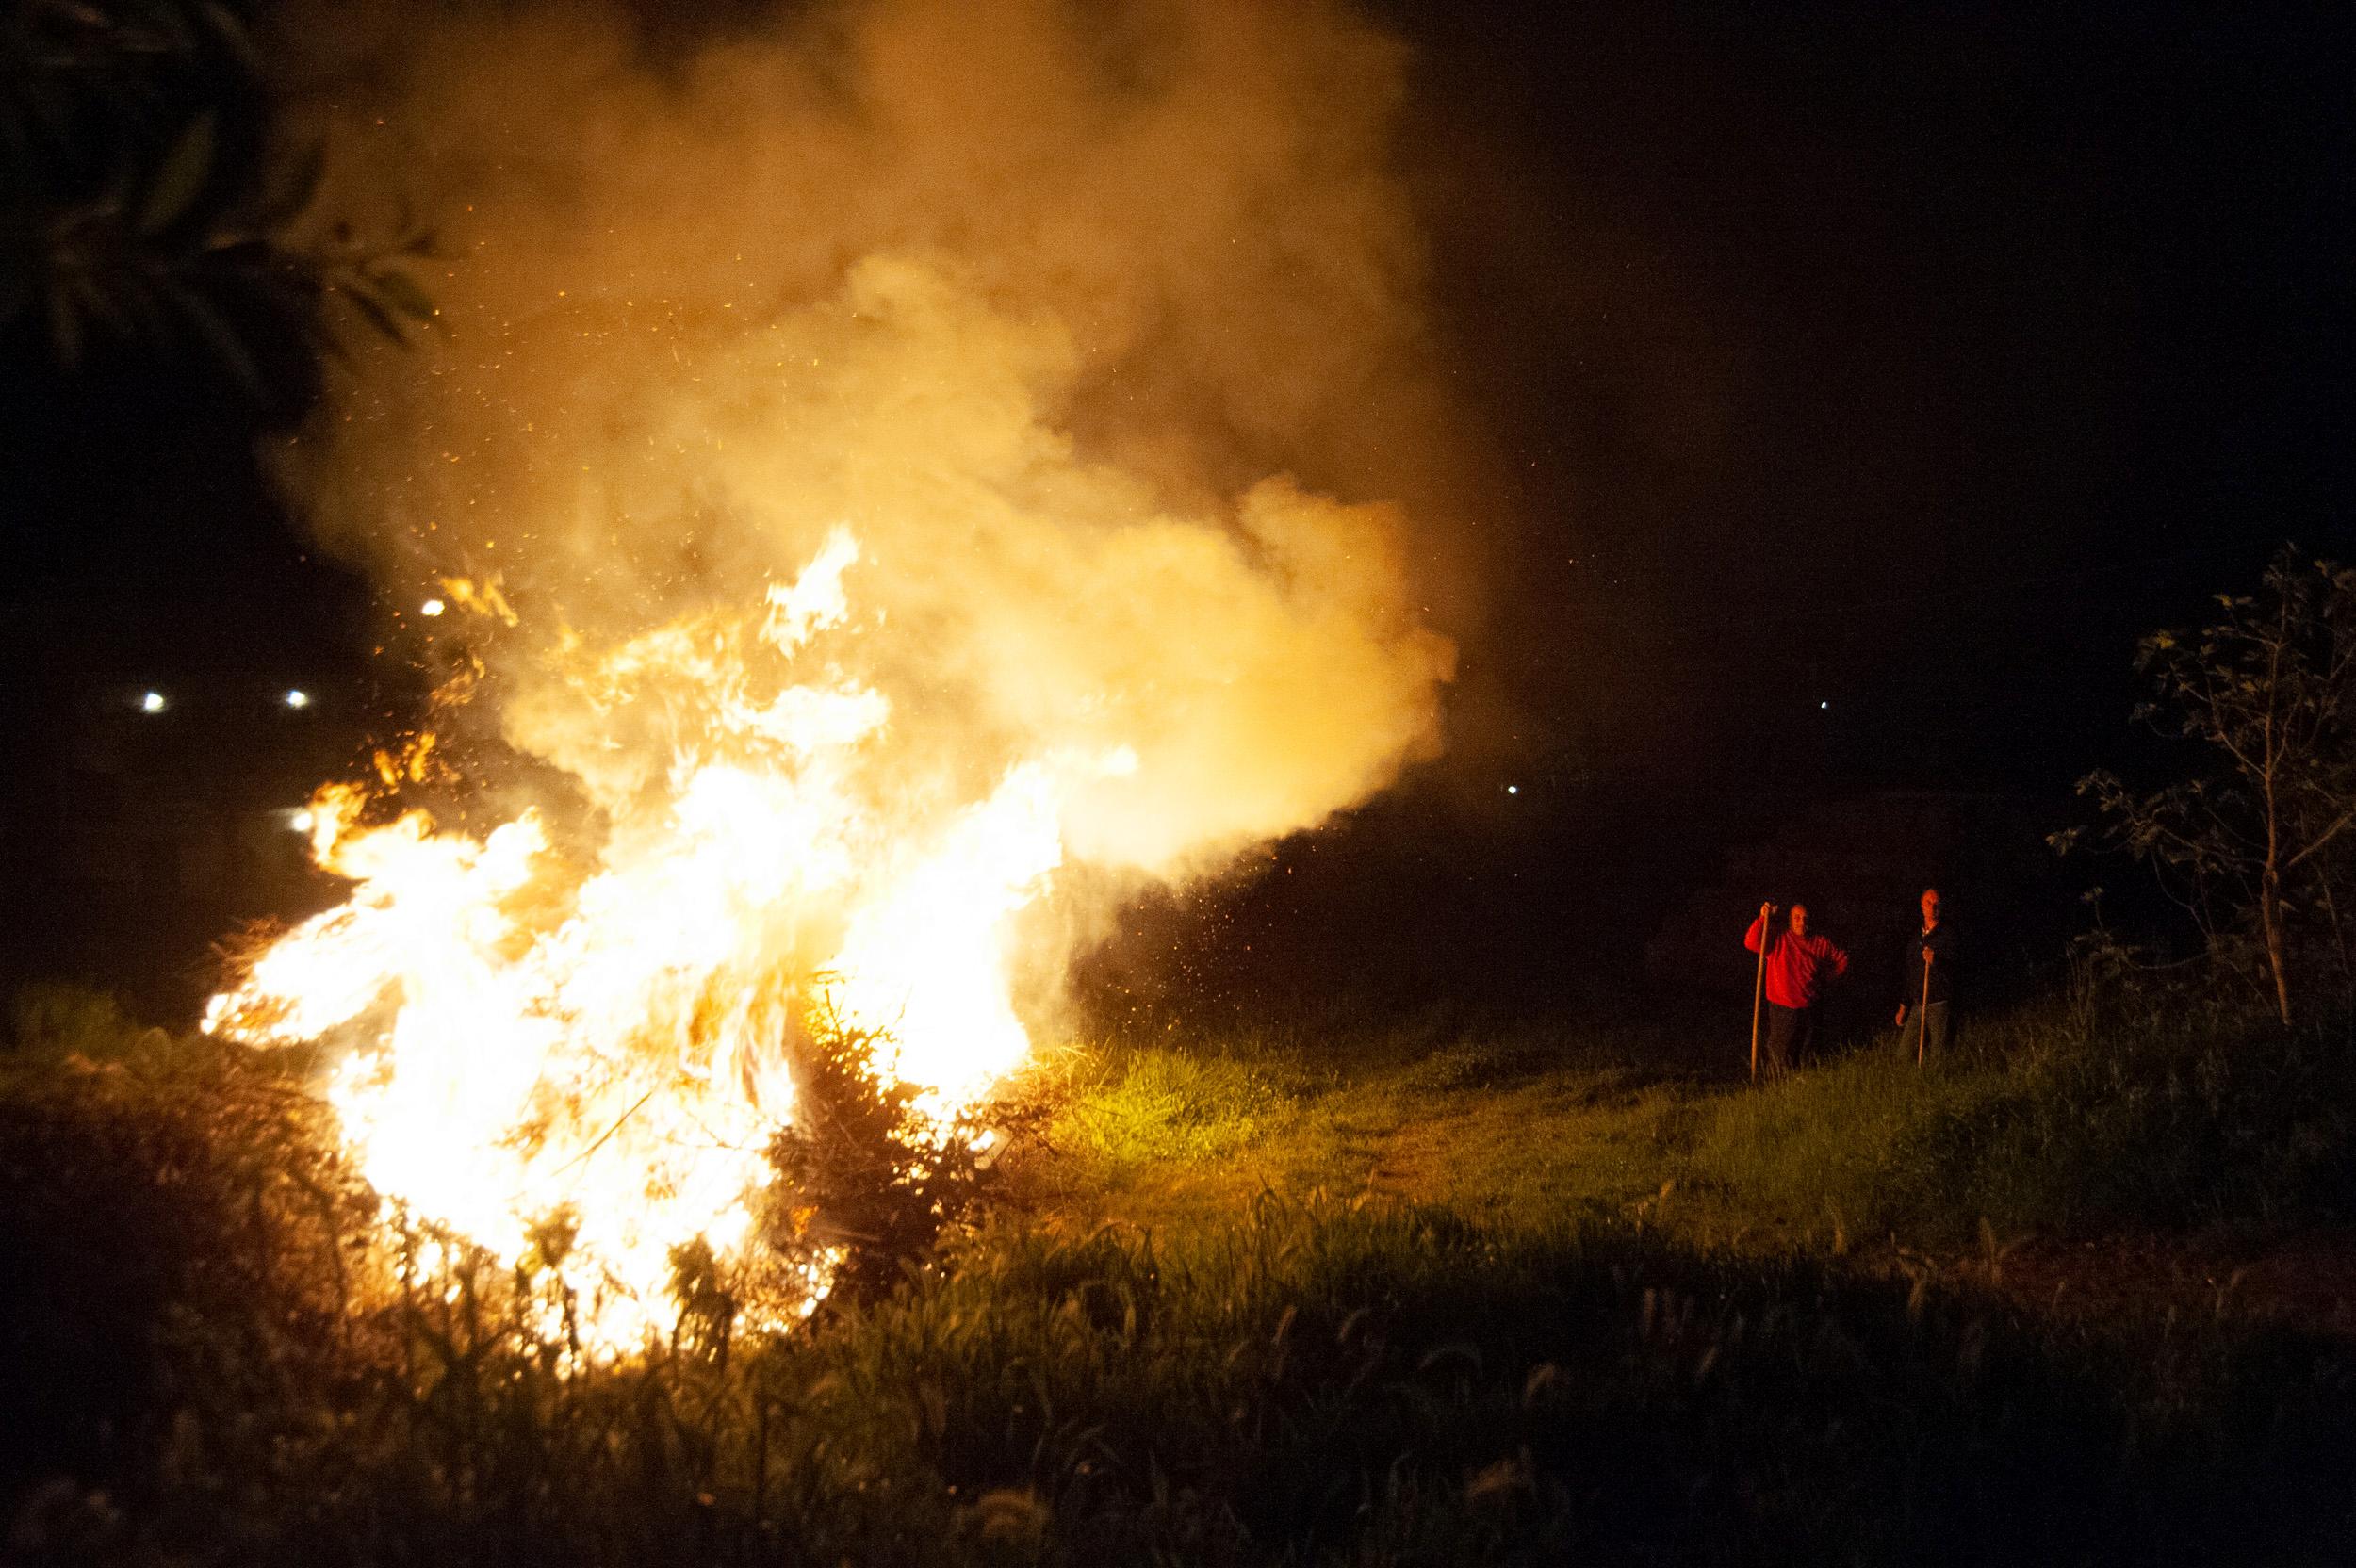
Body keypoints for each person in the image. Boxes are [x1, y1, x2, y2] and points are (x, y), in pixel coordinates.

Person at [1743, 901, 1849, 1079]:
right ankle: (1776, 1086)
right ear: (1790, 921)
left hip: (1810, 1005)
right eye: (1797, 918)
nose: (1801, 922)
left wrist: (1827, 977)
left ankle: (1802, 1084)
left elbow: (1842, 959)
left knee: (1806, 1049)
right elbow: (1752, 942)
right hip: (1783, 1006)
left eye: (1805, 918)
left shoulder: (1819, 942)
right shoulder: (1779, 938)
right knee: (1781, 1049)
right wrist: (1763, 918)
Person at [1894, 887, 1955, 1060]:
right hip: (1918, 1004)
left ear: (1941, 907)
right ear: (1922, 905)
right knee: (1904, 1055)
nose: (1932, 907)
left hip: (1938, 1004)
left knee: (1939, 1055)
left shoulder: (1947, 935)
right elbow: (1911, 974)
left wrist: (1936, 960)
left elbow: (1955, 968)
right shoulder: (1916, 940)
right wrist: (1903, 1006)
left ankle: (1936, 1083)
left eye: (1936, 903)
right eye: (1929, 903)